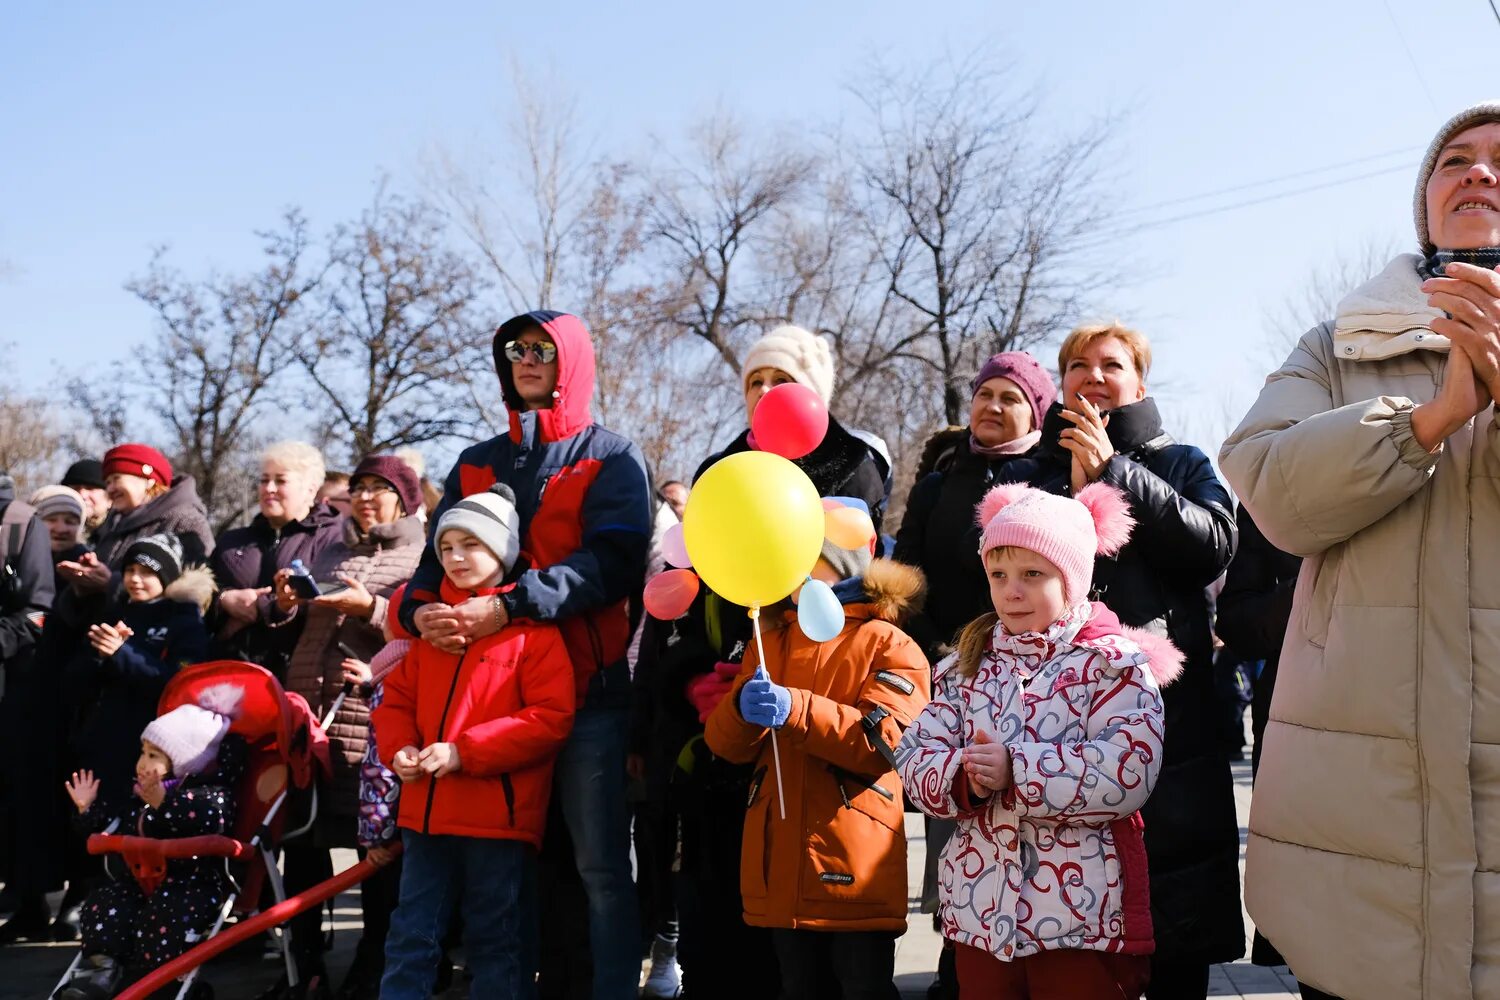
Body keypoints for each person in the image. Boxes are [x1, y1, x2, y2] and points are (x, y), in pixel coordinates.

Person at [1219, 100, 1500, 1000]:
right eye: (1454, 160)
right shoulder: (1342, 341)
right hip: (1362, 827)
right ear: (1425, 204)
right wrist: (1432, 418)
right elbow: (1264, 482)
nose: (1479, 173)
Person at [397, 311, 650, 1000]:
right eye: (516, 349)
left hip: (589, 694)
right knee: (508, 874)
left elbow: (616, 563)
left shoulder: (614, 457)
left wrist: (512, 603)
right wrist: (419, 613)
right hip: (490, 704)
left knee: (599, 869)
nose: (528, 359)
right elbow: (431, 565)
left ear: (570, 360)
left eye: (543, 349)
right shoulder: (476, 461)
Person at [993, 323, 1242, 998]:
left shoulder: (1179, 459)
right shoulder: (1024, 473)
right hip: (1050, 731)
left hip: (1166, 724)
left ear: (1139, 382)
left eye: (1111, 364)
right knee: (1071, 952)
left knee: (1171, 940)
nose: (1092, 376)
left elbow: (1214, 546)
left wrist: (1114, 473)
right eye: (1077, 365)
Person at [897, 482, 1177, 999]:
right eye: (998, 575)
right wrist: (963, 777)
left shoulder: (1111, 666)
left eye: (1033, 575)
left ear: (1072, 581)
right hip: (981, 913)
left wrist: (1017, 769)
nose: (1012, 591)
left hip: (1080, 919)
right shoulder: (966, 667)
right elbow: (914, 755)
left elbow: (1126, 771)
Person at [703, 531, 930, 1000]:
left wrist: (795, 709)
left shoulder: (888, 642)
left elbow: (885, 742)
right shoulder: (771, 640)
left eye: (805, 557)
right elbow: (726, 747)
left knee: (862, 987)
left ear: (840, 565)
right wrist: (737, 710)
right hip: (779, 863)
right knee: (798, 986)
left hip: (853, 863)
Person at [892, 350, 1056, 999]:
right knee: (954, 830)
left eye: (1009, 397)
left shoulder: (1052, 478)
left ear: (1036, 411)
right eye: (984, 393)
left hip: (1038, 678)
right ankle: (956, 965)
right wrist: (937, 651)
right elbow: (905, 573)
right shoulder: (939, 480)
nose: (992, 406)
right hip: (954, 673)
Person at [374, 484, 575, 1000]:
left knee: (497, 943)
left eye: (472, 545)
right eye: (446, 548)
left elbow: (550, 718)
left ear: (502, 552)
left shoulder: (534, 635)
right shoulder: (430, 634)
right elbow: (394, 702)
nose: (456, 558)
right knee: (410, 938)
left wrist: (466, 752)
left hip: (498, 823)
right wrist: (399, 748)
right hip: (424, 818)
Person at [272, 454, 426, 997]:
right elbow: (294, 629)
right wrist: (285, 602)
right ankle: (304, 967)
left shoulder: (421, 554)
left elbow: (421, 633)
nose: (363, 497)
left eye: (378, 488)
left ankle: (374, 965)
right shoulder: (330, 548)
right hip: (309, 717)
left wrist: (373, 612)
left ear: (405, 498)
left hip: (370, 718)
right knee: (303, 843)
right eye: (358, 486)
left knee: (377, 849)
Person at [54, 689, 245, 1000]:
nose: (142, 763)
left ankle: (152, 981)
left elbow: (212, 820)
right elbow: (116, 827)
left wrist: (166, 804)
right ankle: (100, 975)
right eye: (142, 752)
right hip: (141, 881)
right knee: (105, 904)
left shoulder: (212, 795)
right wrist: (88, 812)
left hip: (191, 884)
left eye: (154, 755)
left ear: (185, 762)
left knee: (164, 914)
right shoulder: (141, 796)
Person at [65, 533, 214, 813]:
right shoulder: (113, 614)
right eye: (130, 570)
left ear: (167, 578)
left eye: (147, 572)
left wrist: (123, 653)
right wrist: (99, 656)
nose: (135, 579)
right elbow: (73, 682)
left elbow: (179, 685)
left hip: (149, 752)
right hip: (99, 745)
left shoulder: (184, 620)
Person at [210, 442, 343, 680]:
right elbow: (198, 593)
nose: (268, 488)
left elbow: (330, 595)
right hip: (227, 670)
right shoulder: (232, 541)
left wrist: (264, 608)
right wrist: (223, 600)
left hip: (296, 677)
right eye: (264, 480)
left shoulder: (335, 538)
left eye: (280, 481)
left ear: (311, 489)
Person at [55, 444, 215, 614]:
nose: (110, 489)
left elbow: (196, 592)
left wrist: (111, 583)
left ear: (149, 480)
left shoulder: (184, 520)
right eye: (107, 482)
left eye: (116, 479)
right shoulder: (114, 525)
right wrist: (83, 585)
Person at [0, 477, 56, 943]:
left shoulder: (20, 522)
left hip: (9, 689)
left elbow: (39, 611)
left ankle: (28, 902)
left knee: (15, 799)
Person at [60, 460, 109, 538]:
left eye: (90, 488)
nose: (82, 495)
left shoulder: (120, 534)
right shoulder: (53, 532)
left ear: (110, 498)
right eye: (76, 488)